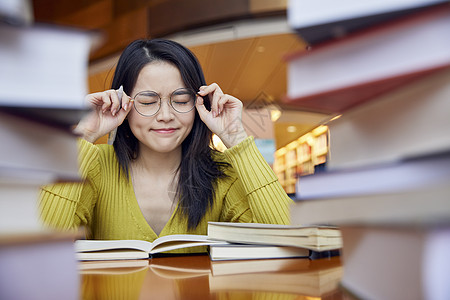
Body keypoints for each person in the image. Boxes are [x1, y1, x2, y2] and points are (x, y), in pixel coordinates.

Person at [39, 39, 292, 252]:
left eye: (181, 100)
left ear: (198, 103)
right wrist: (84, 135)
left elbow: (290, 239)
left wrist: (236, 136)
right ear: (123, 104)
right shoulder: (95, 166)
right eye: (148, 102)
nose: (165, 115)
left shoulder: (223, 172)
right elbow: (40, 245)